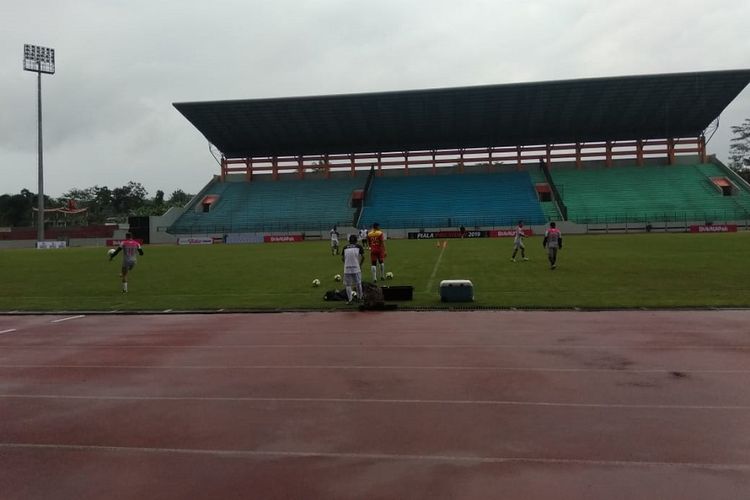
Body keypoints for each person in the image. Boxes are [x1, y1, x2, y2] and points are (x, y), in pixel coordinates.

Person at [342, 234, 365, 304]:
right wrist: (360, 264)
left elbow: (342, 258)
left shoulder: (345, 247)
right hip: (356, 267)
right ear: (356, 240)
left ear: (349, 240)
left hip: (347, 268)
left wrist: (346, 263)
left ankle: (350, 300)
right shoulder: (359, 246)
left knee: (348, 285)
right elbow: (363, 257)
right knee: (358, 283)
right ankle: (360, 298)